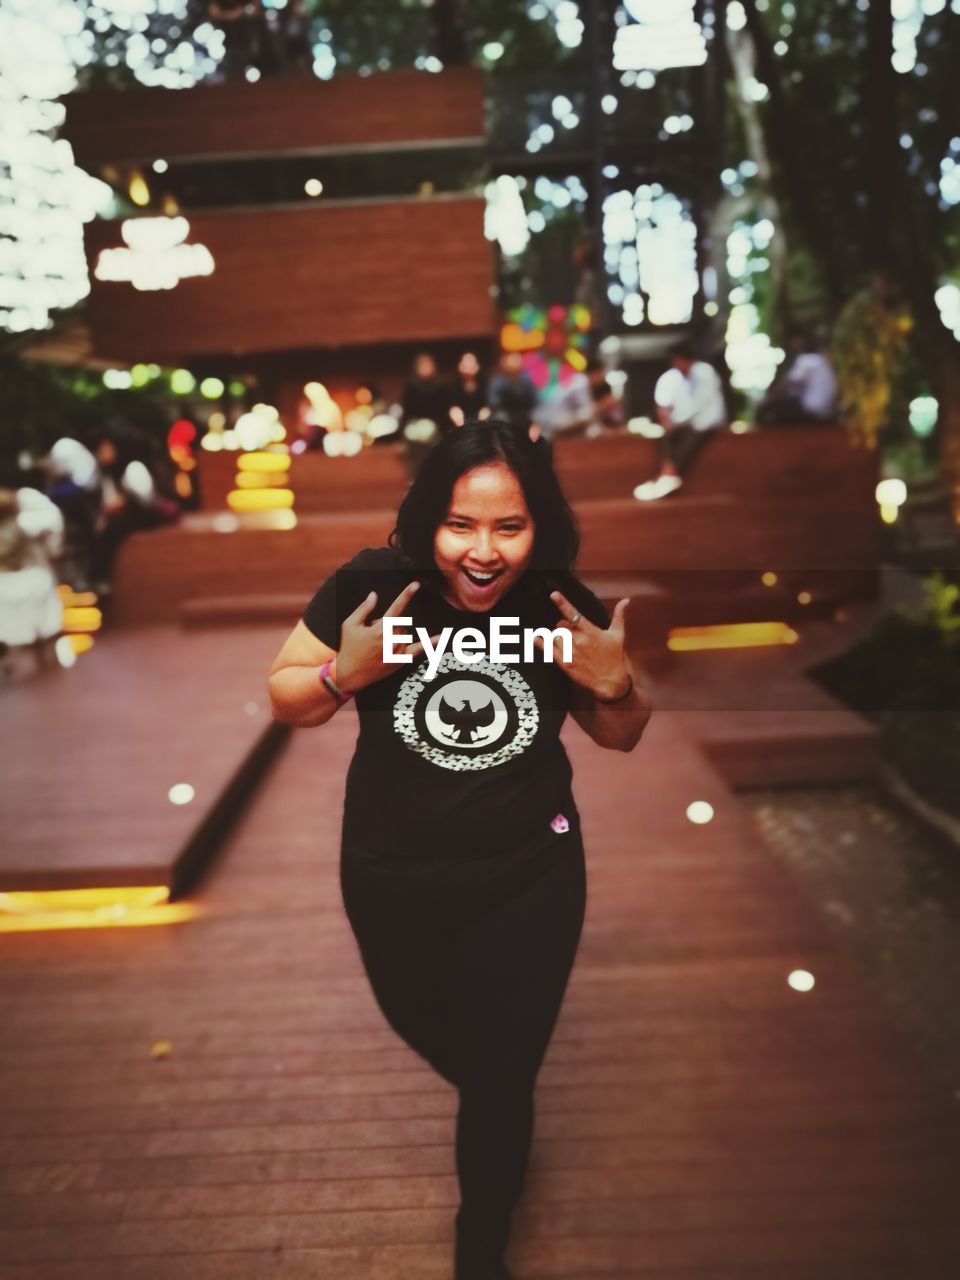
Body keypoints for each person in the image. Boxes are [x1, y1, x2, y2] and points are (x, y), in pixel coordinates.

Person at [268, 421, 650, 1280]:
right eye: (460, 526)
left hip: (531, 869)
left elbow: (621, 734)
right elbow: (287, 698)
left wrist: (616, 685)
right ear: (425, 522)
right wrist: (344, 675)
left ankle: (482, 1242)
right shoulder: (373, 586)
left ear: (538, 528)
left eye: (508, 528)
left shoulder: (556, 601)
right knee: (445, 1039)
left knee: (500, 1073)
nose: (483, 553)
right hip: (388, 873)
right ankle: (498, 1097)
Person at [635, 342, 727, 500]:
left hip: (707, 421)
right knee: (668, 436)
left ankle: (670, 474)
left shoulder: (704, 373)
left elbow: (697, 407)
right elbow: (667, 405)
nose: (675, 364)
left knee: (689, 439)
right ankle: (667, 473)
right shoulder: (674, 378)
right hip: (688, 423)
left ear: (686, 359)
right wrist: (669, 421)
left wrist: (675, 421)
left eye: (677, 360)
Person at [755, 332, 839, 425]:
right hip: (827, 411)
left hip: (812, 412)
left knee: (771, 414)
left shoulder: (805, 360)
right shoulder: (820, 359)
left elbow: (786, 384)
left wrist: (768, 401)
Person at [536, 357, 623, 441]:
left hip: (557, 420)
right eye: (600, 374)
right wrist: (603, 406)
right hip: (549, 422)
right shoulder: (581, 383)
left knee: (590, 427)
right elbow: (589, 415)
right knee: (590, 424)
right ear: (595, 373)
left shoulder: (584, 382)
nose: (601, 378)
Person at [488, 351, 540, 440]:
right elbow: (493, 402)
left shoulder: (527, 379)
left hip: (524, 414)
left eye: (516, 360)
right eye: (511, 361)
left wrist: (536, 423)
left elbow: (535, 401)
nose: (514, 364)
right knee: (499, 420)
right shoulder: (497, 380)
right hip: (504, 414)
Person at [449, 351, 490, 428]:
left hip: (479, 419)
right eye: (466, 363)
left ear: (477, 365)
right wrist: (460, 423)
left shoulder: (484, 383)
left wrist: (481, 421)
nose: (468, 367)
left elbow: (486, 407)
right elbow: (454, 407)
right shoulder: (455, 384)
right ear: (460, 365)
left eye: (471, 363)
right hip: (461, 419)